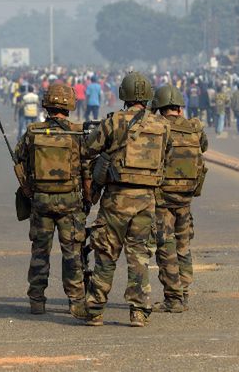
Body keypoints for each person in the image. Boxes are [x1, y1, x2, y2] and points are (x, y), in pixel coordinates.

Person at [81, 72, 170, 327]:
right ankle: (139, 312)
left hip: (116, 201)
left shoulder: (114, 122)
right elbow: (166, 155)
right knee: (139, 256)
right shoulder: (161, 125)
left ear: (124, 95)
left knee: (106, 255)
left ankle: (95, 309)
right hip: (146, 200)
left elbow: (88, 148)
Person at [14, 84, 90, 319]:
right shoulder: (78, 133)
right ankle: (76, 302)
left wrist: (28, 188)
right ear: (70, 105)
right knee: (73, 254)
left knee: (39, 252)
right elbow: (87, 170)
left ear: (46, 105)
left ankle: (37, 300)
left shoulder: (33, 131)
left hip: (41, 202)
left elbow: (20, 159)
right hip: (70, 202)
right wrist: (88, 198)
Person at [151, 85, 207, 313]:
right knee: (184, 246)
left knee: (166, 247)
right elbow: (203, 147)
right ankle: (183, 292)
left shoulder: (158, 127)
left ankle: (173, 299)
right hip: (186, 197)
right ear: (179, 108)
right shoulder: (194, 128)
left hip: (163, 197)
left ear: (160, 108)